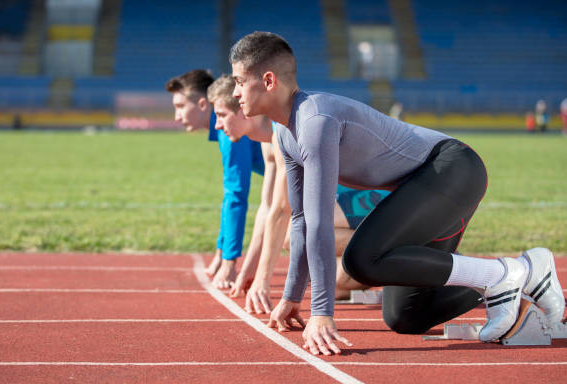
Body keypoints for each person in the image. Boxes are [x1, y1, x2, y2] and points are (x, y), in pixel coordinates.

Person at [229, 31, 565, 356]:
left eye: (240, 81)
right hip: (422, 186)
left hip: (452, 170)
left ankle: (502, 276)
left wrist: (321, 313)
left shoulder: (314, 120)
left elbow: (319, 224)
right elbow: (301, 219)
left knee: (361, 259)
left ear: (269, 81)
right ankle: (522, 277)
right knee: (408, 315)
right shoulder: (286, 134)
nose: (235, 92)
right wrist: (291, 297)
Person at [209, 74, 386, 312]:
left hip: (369, 196)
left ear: (243, 111)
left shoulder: (281, 132)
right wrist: (248, 271)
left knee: (295, 234)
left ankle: (394, 246)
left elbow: (281, 211)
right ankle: (388, 266)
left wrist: (263, 280)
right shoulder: (266, 142)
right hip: (341, 205)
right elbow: (266, 208)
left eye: (221, 116)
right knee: (336, 283)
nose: (217, 125)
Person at [165, 69, 265, 288]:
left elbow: (236, 195)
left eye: (180, 106)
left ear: (202, 104)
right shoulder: (225, 127)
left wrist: (229, 264)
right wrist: (221, 253)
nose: (176, 116)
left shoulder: (230, 130)